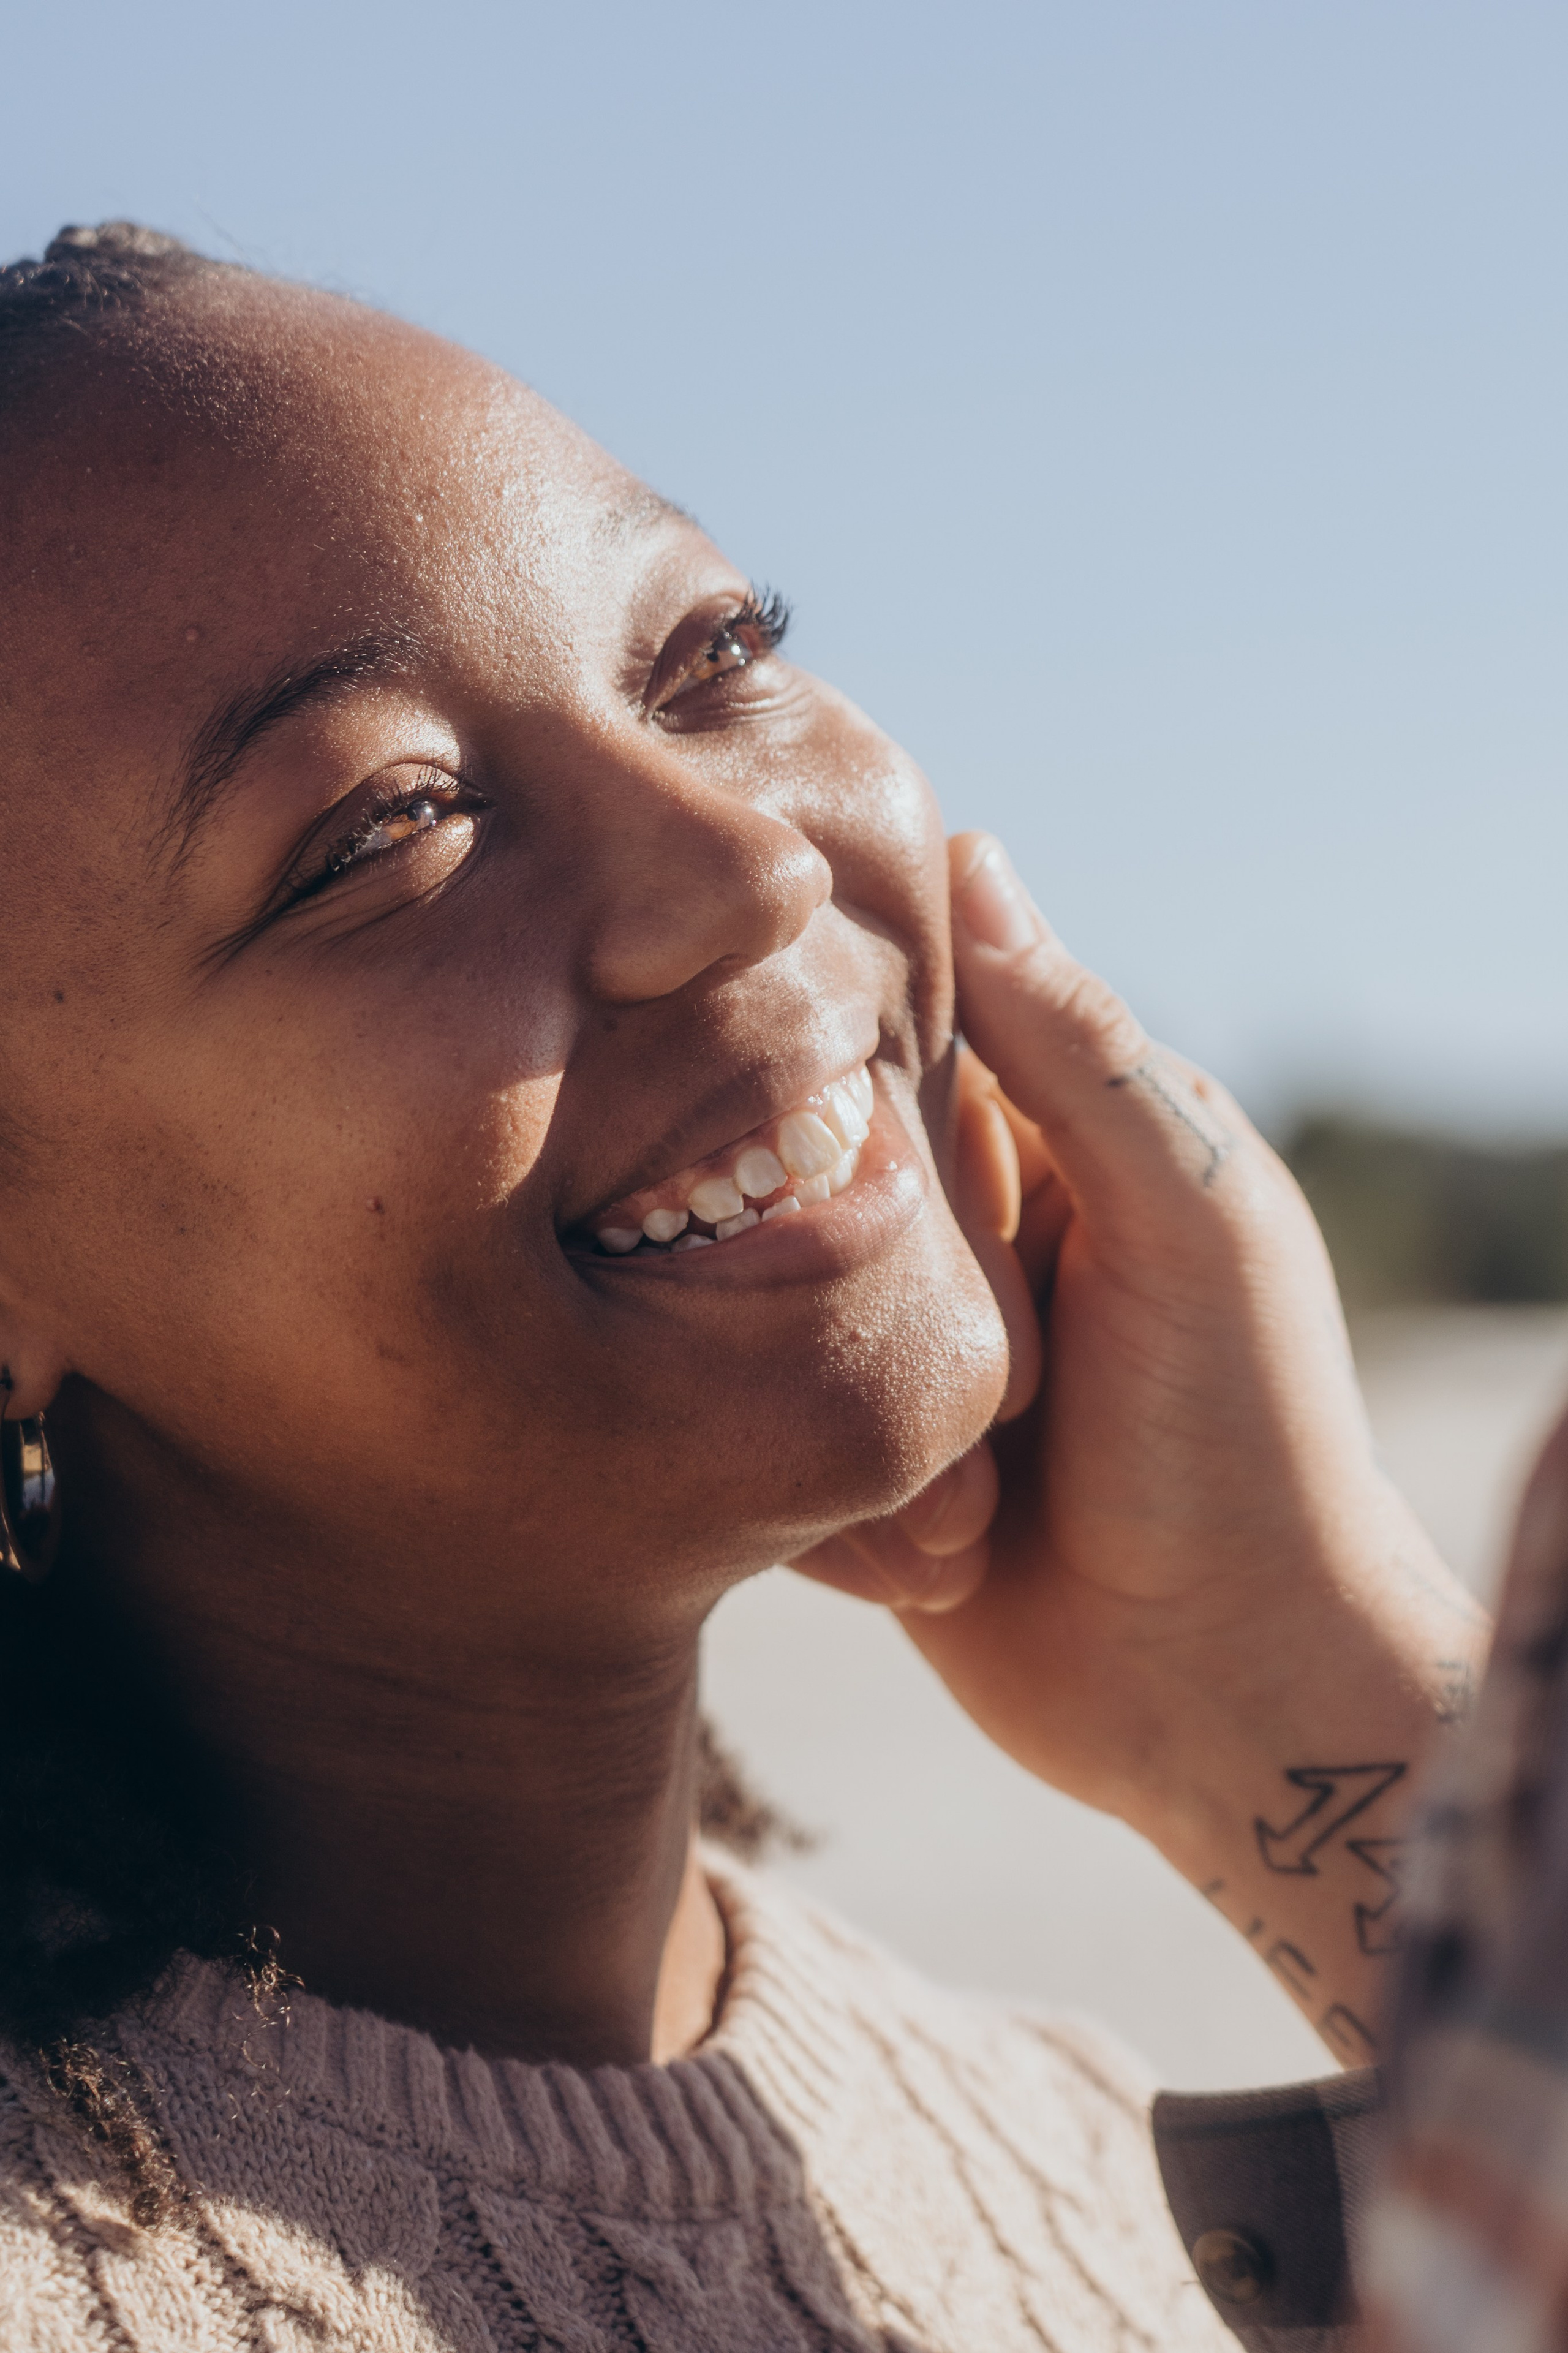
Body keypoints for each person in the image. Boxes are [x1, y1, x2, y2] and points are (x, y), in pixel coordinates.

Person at [0, 221, 1487, 2352]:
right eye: (382, 828)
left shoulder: (1073, 2174)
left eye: (712, 649)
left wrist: (1286, 1682)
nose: (749, 865)